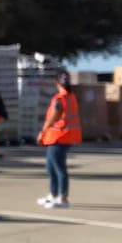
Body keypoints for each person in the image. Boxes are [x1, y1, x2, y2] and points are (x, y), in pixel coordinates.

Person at [37, 70, 82, 209]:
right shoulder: (71, 97)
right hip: (64, 136)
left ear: (56, 83)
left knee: (58, 168)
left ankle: (63, 198)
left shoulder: (59, 99)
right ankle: (53, 194)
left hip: (59, 137)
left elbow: (53, 118)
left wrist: (42, 131)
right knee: (51, 167)